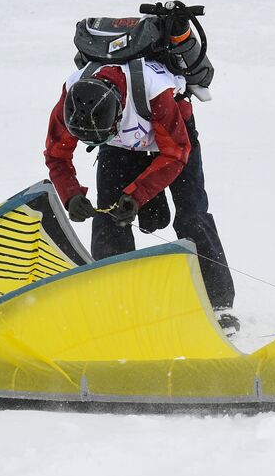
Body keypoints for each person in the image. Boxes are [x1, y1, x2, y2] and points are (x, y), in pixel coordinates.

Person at [43, 58, 237, 330]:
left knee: (192, 216)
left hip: (174, 141)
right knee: (110, 218)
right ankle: (112, 302)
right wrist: (71, 195)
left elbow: (175, 153)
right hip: (119, 147)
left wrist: (137, 195)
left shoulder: (154, 91)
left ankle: (219, 306)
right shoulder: (72, 95)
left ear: (119, 112)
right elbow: (56, 156)